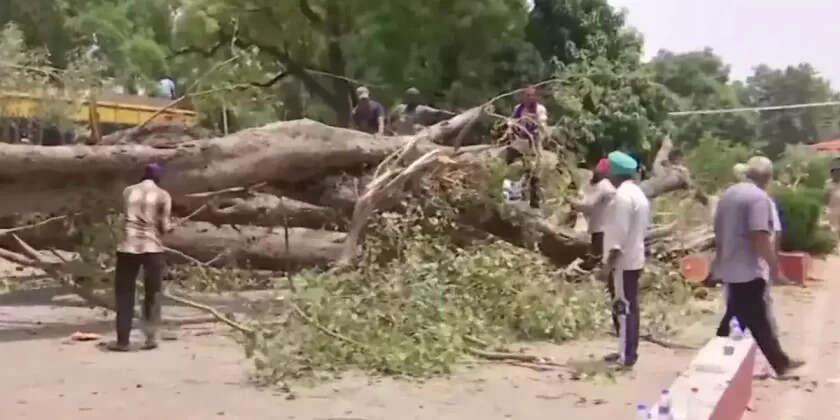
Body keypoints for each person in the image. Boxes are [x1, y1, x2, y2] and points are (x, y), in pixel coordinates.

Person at [711, 156, 803, 376]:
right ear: (768, 178)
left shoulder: (728, 194)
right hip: (749, 268)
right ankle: (780, 365)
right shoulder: (758, 198)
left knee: (738, 314)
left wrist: (718, 261)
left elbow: (718, 230)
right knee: (756, 318)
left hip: (730, 265)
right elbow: (760, 236)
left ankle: (779, 362)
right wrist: (774, 267)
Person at [107, 163, 173, 352]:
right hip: (152, 249)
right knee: (152, 293)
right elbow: (164, 227)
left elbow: (127, 216)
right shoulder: (163, 195)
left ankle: (123, 341)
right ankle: (150, 337)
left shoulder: (128, 191)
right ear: (159, 178)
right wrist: (170, 227)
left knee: (125, 295)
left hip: (127, 247)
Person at [600, 151, 650, 368]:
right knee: (627, 307)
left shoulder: (621, 197)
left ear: (615, 172)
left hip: (623, 261)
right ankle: (625, 350)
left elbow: (618, 237)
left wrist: (607, 266)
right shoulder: (637, 193)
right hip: (634, 258)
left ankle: (626, 357)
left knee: (624, 308)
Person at [506, 86, 549, 209]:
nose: (529, 98)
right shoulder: (518, 108)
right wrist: (511, 127)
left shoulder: (540, 109)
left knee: (535, 172)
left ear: (535, 96)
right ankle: (512, 201)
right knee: (513, 168)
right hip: (520, 142)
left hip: (534, 143)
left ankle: (534, 203)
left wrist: (536, 123)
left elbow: (543, 125)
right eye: (527, 95)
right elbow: (512, 121)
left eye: (531, 95)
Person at [571, 158, 616, 269]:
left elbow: (589, 206)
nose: (595, 174)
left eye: (598, 172)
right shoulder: (603, 185)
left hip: (601, 227)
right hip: (600, 225)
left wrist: (573, 203)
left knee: (596, 256)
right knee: (596, 253)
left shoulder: (604, 186)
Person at [825, 158, 840, 236]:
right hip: (832, 211)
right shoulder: (828, 184)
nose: (837, 174)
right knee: (834, 231)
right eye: (835, 172)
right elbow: (826, 199)